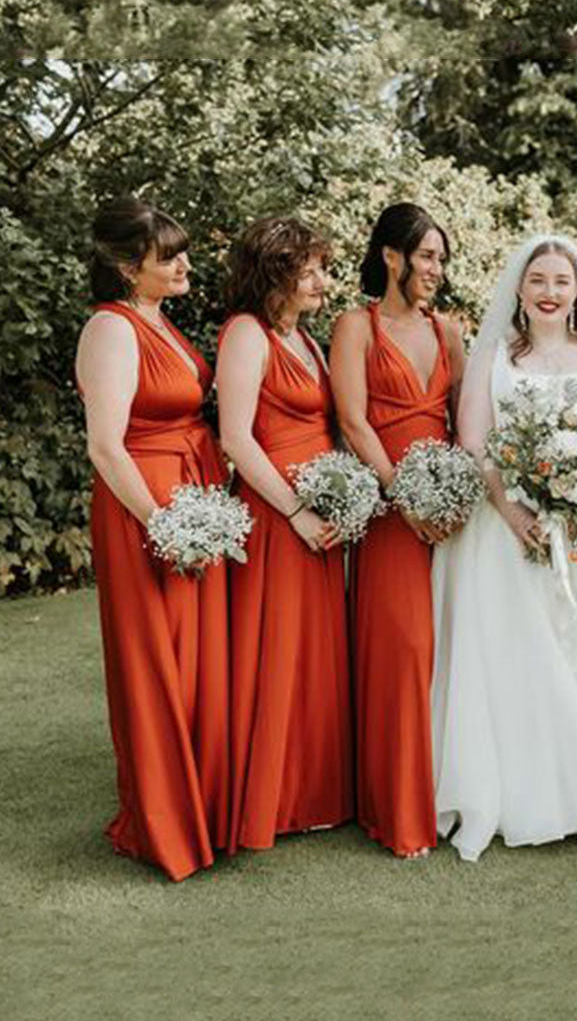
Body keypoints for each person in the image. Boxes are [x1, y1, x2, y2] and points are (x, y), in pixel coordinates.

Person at [431, 235, 577, 862]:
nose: (549, 292)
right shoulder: (492, 359)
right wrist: (512, 510)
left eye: (561, 281)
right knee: (513, 654)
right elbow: (475, 439)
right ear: (519, 288)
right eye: (538, 280)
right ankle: (513, 793)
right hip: (505, 530)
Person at [75, 195, 228, 880]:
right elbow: (106, 448)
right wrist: (162, 522)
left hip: (190, 495)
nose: (184, 264)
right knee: (155, 661)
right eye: (169, 257)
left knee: (194, 661)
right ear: (125, 266)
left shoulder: (159, 322)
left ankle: (201, 807)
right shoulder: (110, 329)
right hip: (144, 507)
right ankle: (164, 825)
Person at [331, 203, 464, 858]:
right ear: (392, 256)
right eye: (427, 257)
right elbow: (353, 422)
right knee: (402, 650)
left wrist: (457, 494)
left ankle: (451, 794)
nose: (436, 270)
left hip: (448, 508)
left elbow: (466, 419)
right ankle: (396, 811)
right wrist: (401, 495)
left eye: (441, 259)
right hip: (390, 510)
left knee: (448, 651)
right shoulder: (354, 327)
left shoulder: (449, 332)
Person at [217, 217, 353, 853]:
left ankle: (315, 795)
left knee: (315, 654)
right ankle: (273, 799)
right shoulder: (247, 335)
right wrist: (297, 510)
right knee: (276, 652)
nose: (324, 280)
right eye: (312, 268)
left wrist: (340, 498)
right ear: (276, 271)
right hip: (278, 514)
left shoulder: (308, 340)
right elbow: (236, 436)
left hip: (321, 512)